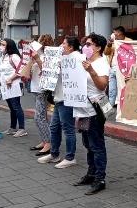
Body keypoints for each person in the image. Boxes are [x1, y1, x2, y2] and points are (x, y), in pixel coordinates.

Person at [73, 33, 109, 195]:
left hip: (95, 108)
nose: (85, 47)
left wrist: (91, 71)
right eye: (85, 44)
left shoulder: (102, 63)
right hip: (82, 108)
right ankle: (91, 173)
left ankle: (100, 178)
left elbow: (102, 86)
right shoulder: (83, 61)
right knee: (87, 143)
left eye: (89, 44)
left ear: (98, 47)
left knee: (96, 144)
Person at [38, 36, 79, 169]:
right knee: (54, 127)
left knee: (68, 129)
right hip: (58, 98)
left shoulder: (76, 58)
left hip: (67, 99)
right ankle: (54, 154)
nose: (61, 45)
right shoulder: (62, 58)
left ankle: (70, 157)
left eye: (64, 43)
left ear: (71, 47)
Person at [27, 34, 54, 156]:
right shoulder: (38, 54)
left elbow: (48, 71)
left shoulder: (49, 56)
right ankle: (44, 140)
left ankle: (48, 143)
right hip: (36, 87)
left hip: (43, 89)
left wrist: (37, 59)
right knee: (40, 116)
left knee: (39, 117)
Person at [0, 38, 28, 137]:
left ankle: (22, 128)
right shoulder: (3, 57)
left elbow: (22, 70)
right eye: (1, 44)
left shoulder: (14, 56)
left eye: (3, 45)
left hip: (14, 85)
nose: (1, 46)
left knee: (16, 106)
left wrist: (11, 79)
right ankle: (12, 127)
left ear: (9, 46)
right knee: (11, 107)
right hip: (5, 86)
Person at [105, 26, 129, 107]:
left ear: (119, 33)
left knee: (122, 88)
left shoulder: (129, 41)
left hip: (123, 68)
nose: (113, 34)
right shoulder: (113, 42)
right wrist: (108, 45)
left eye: (114, 32)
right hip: (112, 68)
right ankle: (109, 109)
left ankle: (123, 108)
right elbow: (106, 53)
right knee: (111, 90)